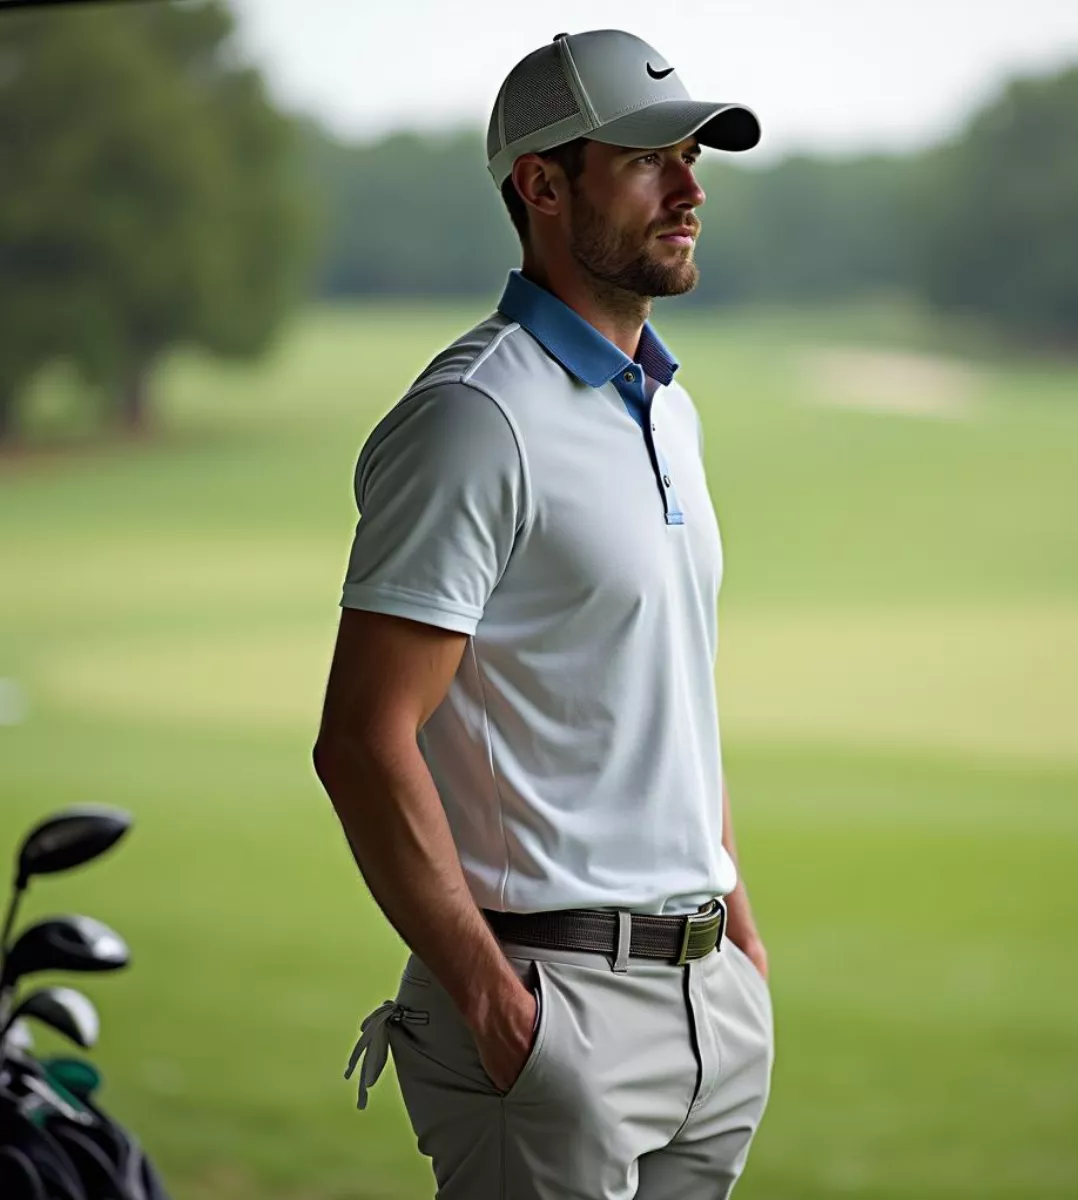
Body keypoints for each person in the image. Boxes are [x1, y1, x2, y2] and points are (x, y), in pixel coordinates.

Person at [314, 28, 772, 1200]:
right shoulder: (475, 418)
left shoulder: (667, 410)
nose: (690, 188)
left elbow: (663, 688)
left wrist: (734, 924)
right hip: (551, 1008)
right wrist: (493, 1005)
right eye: (647, 161)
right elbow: (364, 740)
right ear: (544, 186)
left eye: (691, 156)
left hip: (708, 1003)